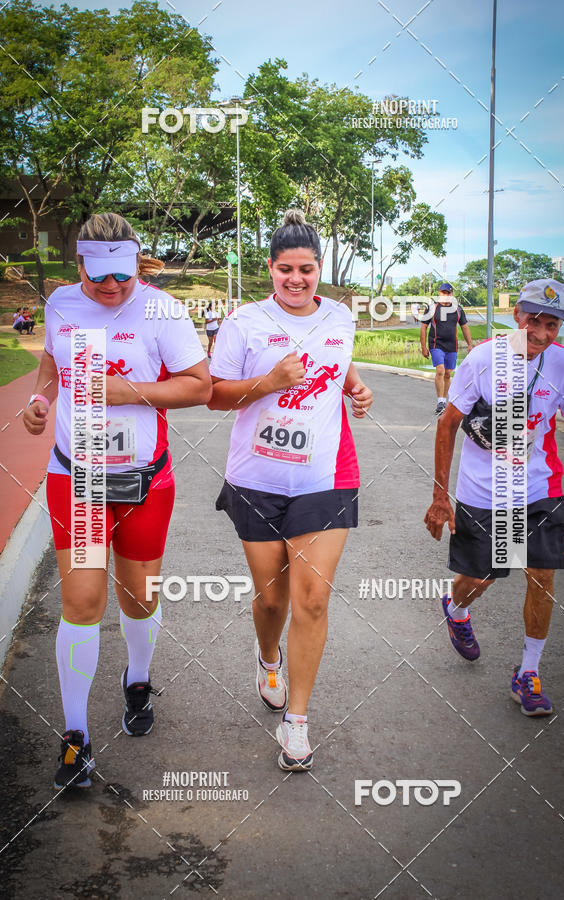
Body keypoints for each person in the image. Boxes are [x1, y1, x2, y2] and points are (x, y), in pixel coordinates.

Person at [23, 212, 212, 790]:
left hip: (143, 480)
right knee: (82, 600)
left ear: (137, 264)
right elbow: (51, 366)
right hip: (77, 476)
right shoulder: (59, 303)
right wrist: (39, 400)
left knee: (137, 597)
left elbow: (199, 385)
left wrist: (130, 391)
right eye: (98, 276)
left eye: (122, 277)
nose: (110, 288)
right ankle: (75, 737)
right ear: (78, 264)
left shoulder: (163, 309)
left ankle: (136, 677)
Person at [208, 209, 373, 771]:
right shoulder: (244, 322)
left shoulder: (340, 317)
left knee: (312, 599)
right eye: (285, 270)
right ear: (270, 269)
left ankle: (297, 722)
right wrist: (269, 382)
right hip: (257, 477)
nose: (296, 279)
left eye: (306, 269)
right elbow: (214, 396)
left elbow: (335, 363)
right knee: (273, 598)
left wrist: (355, 385)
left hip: (325, 476)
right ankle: (267, 656)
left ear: (319, 268)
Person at [424, 279, 564, 716]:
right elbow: (448, 424)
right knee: (487, 575)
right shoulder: (484, 359)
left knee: (541, 575)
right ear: (517, 315)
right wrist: (440, 496)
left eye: (552, 324)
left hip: (539, 488)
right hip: (485, 491)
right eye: (533, 320)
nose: (541, 333)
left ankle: (528, 672)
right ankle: (456, 608)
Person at [420, 282, 473, 416]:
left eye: (448, 293)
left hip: (452, 346)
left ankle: (444, 401)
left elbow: (464, 327)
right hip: (436, 344)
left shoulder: (458, 309)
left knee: (448, 373)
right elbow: (424, 327)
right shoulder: (432, 308)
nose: (446, 295)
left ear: (452, 294)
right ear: (439, 293)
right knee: (440, 371)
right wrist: (423, 346)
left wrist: (470, 344)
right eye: (443, 293)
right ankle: (440, 401)